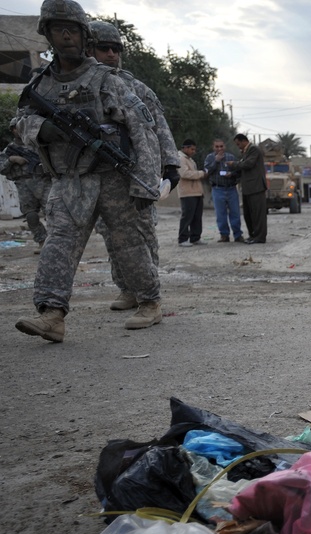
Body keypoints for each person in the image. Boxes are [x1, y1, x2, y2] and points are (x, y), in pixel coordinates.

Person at [14, 0, 162, 342]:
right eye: (58, 30)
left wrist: (146, 183)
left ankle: (149, 301)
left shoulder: (106, 81)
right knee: (60, 242)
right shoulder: (40, 86)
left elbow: (142, 131)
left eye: (72, 30)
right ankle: (52, 314)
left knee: (129, 245)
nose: (66, 36)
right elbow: (19, 122)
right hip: (69, 178)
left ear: (83, 35)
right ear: (48, 35)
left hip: (112, 176)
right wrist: (41, 129)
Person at [87, 19, 180, 312]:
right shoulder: (79, 88)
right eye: (104, 48)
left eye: (116, 49)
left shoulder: (134, 87)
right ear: (89, 49)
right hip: (97, 175)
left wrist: (170, 165)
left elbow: (159, 128)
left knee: (142, 235)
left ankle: (148, 294)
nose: (112, 54)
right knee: (113, 237)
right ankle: (126, 289)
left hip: (136, 174)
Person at [227, 133, 267, 244]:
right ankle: (253, 235)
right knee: (249, 214)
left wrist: (233, 164)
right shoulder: (246, 151)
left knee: (257, 214)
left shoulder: (253, 149)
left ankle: (260, 237)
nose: (238, 146)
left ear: (244, 141)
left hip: (256, 187)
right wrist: (233, 174)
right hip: (248, 188)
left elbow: (248, 164)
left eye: (238, 144)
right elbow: (244, 167)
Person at [204, 139, 242, 242]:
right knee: (221, 214)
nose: (219, 148)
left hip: (231, 189)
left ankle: (238, 235)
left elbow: (238, 171)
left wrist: (232, 174)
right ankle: (224, 235)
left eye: (221, 146)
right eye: (217, 146)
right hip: (217, 189)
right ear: (213, 147)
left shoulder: (231, 157)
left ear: (224, 147)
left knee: (235, 212)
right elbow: (207, 172)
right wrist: (216, 161)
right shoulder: (210, 158)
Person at [14, 167, 51, 251]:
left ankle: (58, 242)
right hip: (23, 182)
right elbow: (2, 168)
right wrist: (11, 160)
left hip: (46, 179)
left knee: (53, 214)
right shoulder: (9, 153)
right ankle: (42, 242)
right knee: (31, 216)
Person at [177, 139, 206, 246]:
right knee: (187, 216)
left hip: (197, 192)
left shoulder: (190, 160)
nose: (193, 151)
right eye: (192, 149)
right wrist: (201, 174)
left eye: (194, 149)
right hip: (187, 193)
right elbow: (185, 174)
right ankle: (183, 239)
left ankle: (195, 237)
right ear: (185, 148)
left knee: (197, 217)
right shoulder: (180, 159)